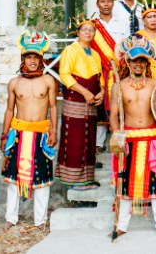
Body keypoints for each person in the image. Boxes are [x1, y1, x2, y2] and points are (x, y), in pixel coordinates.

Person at [109, 36, 156, 238]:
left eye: (142, 60)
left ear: (147, 62)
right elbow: (113, 116)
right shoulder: (119, 86)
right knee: (125, 182)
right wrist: (117, 137)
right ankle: (121, 225)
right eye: (134, 60)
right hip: (128, 139)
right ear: (128, 61)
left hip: (153, 138)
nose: (138, 64)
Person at [0, 30, 58, 231]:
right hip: (18, 134)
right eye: (28, 56)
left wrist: (54, 132)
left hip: (41, 134)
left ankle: (40, 220)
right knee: (14, 179)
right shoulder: (14, 83)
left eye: (36, 56)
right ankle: (11, 218)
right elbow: (9, 109)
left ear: (41, 59)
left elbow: (53, 107)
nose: (32, 60)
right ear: (22, 59)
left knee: (41, 178)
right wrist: (4, 134)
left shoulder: (49, 80)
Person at [57, 16, 105, 190]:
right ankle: (74, 182)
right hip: (76, 97)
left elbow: (99, 78)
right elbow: (65, 74)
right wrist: (84, 92)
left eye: (91, 30)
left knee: (89, 137)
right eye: (84, 29)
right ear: (77, 33)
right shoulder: (71, 50)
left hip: (91, 101)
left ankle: (87, 179)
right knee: (75, 138)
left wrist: (102, 92)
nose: (88, 32)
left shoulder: (95, 54)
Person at [91, 0, 118, 153]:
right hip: (98, 69)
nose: (106, 4)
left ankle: (120, 139)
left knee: (119, 102)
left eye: (109, 1)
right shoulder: (93, 25)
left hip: (118, 69)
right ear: (97, 5)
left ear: (112, 3)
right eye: (103, 1)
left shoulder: (121, 23)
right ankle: (99, 143)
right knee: (99, 103)